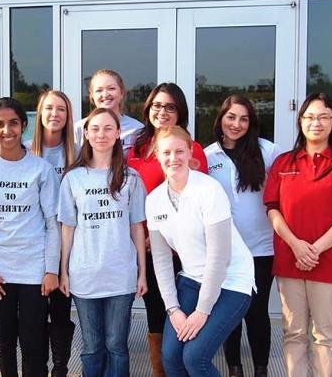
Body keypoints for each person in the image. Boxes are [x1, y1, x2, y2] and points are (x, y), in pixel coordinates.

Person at [264, 92, 332, 377]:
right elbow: (272, 209)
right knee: (294, 334)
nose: (315, 123)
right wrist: (296, 246)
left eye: (323, 117)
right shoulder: (284, 163)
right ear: (300, 122)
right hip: (289, 261)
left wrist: (314, 249)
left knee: (325, 337)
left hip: (328, 265)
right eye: (309, 117)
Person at [146, 125, 255, 376]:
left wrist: (202, 311)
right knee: (171, 357)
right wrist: (173, 310)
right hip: (192, 279)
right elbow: (161, 261)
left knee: (195, 358)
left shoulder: (208, 189)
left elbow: (220, 256)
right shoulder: (154, 201)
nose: (173, 158)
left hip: (231, 281)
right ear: (157, 155)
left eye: (179, 151)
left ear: (190, 152)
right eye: (166, 153)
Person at [0, 97, 61, 377]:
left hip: (35, 270)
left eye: (13, 123)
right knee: (5, 340)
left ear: (24, 125)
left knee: (33, 340)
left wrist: (51, 270)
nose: (7, 130)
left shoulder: (41, 169)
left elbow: (52, 223)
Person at [126, 82, 208, 377]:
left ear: (180, 112)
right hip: (145, 246)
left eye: (170, 106)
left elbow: (195, 200)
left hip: (182, 248)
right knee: (157, 313)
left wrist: (161, 233)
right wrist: (142, 238)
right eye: (157, 105)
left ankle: (185, 367)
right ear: (148, 109)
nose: (162, 111)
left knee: (184, 310)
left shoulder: (192, 148)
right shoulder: (136, 148)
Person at [58, 107, 148, 377]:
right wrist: (63, 270)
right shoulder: (73, 178)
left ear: (119, 133)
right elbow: (68, 228)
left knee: (116, 346)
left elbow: (136, 227)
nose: (101, 134)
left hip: (121, 274)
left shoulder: (131, 178)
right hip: (85, 274)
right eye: (95, 128)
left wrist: (142, 272)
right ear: (85, 133)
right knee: (92, 346)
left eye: (108, 128)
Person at [205, 95, 282, 377]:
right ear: (221, 119)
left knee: (257, 311)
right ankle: (234, 368)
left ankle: (261, 368)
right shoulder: (208, 154)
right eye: (231, 117)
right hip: (225, 249)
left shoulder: (268, 151)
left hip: (261, 248)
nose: (236, 124)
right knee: (230, 314)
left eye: (243, 118)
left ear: (251, 123)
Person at [27, 90, 79, 377]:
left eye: (61, 109)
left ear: (68, 115)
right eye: (48, 108)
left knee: (61, 310)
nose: (54, 114)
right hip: (34, 243)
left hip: (68, 242)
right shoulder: (24, 150)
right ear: (40, 113)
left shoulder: (78, 152)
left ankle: (60, 367)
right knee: (34, 314)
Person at [74, 69, 143, 155]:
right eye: (99, 90)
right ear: (92, 96)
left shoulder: (137, 129)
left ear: (122, 93)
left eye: (111, 88)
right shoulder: (79, 128)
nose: (105, 94)